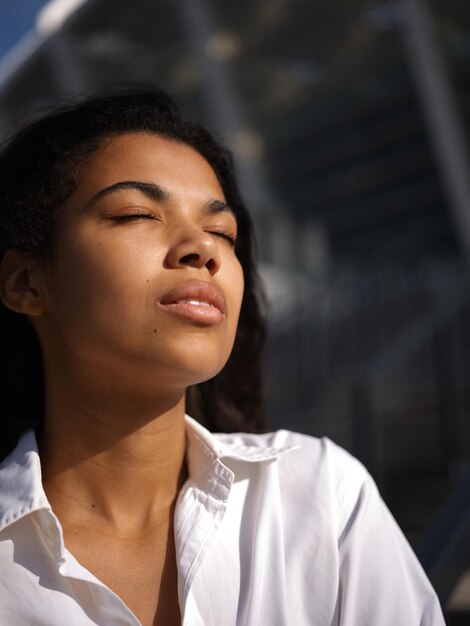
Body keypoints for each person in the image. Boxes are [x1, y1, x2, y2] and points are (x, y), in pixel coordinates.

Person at [0, 88, 445, 626]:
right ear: (26, 283)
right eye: (138, 213)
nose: (202, 248)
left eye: (221, 231)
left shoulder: (318, 496)